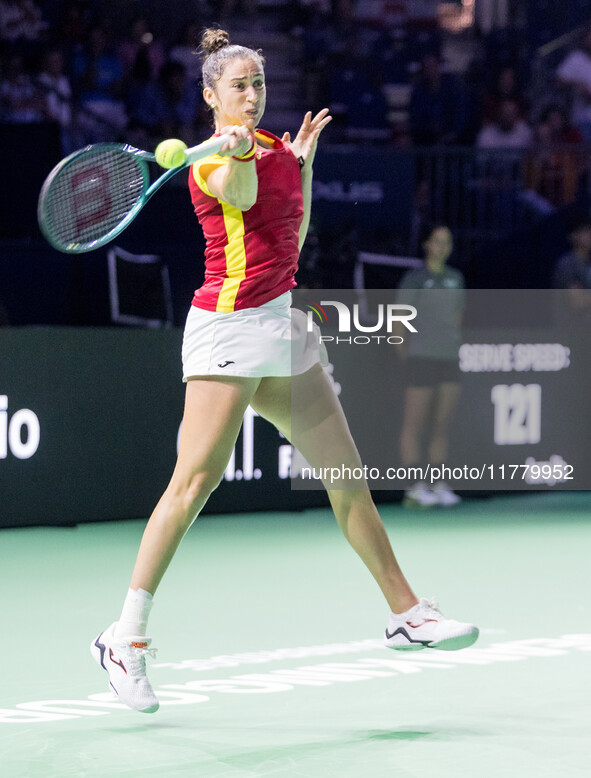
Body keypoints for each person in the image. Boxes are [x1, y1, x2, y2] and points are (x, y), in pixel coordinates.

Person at [90, 28, 479, 715]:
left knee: (347, 478)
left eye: (258, 85)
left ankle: (405, 612)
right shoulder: (211, 164)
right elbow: (237, 196)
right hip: (229, 332)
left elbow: (289, 241)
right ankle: (125, 639)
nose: (251, 96)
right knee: (191, 486)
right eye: (238, 87)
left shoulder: (273, 148)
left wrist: (298, 164)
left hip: (283, 328)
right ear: (210, 96)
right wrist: (237, 153)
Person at [396, 224, 465, 508]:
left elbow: (458, 318)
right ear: (426, 244)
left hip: (449, 359)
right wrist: (408, 359)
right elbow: (398, 324)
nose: (442, 246)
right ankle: (414, 486)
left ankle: (438, 484)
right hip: (420, 359)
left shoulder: (456, 278)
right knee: (414, 424)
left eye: (447, 242)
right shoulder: (414, 279)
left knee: (441, 425)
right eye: (437, 241)